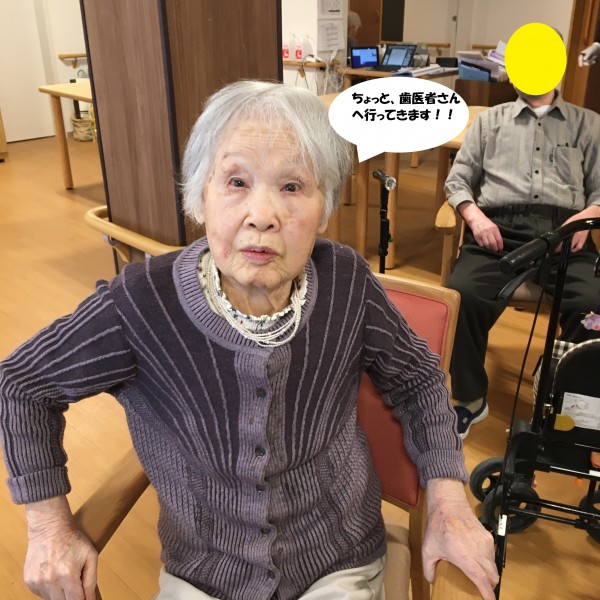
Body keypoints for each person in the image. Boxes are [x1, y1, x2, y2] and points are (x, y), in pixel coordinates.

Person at [0, 80, 497, 600]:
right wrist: (48, 525)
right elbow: (22, 383)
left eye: (292, 186)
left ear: (325, 208)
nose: (262, 215)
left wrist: (448, 502)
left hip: (338, 561)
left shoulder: (347, 282)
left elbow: (418, 379)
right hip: (205, 575)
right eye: (236, 181)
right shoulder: (142, 303)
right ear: (200, 196)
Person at [444, 76, 600, 439]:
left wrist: (588, 216)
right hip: (498, 229)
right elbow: (457, 180)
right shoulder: (489, 121)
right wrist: (474, 217)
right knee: (462, 293)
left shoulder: (588, 123)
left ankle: (563, 399)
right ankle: (470, 398)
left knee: (594, 303)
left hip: (566, 231)